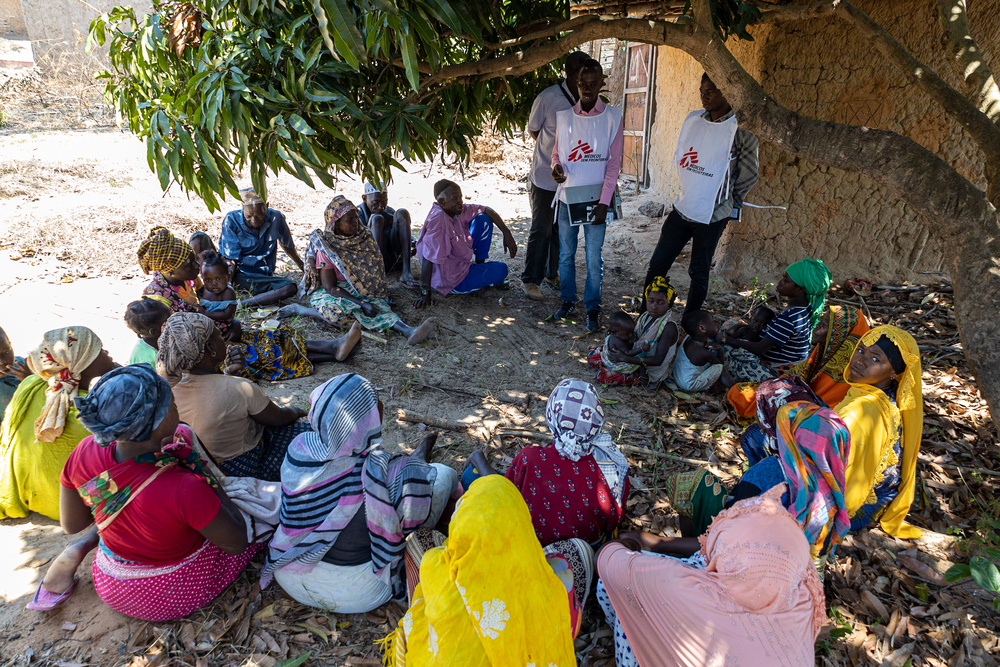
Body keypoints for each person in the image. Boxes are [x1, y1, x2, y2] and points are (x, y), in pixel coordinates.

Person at [48, 365, 254, 621]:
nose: (175, 403)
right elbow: (237, 543)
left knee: (141, 508)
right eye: (170, 402)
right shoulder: (185, 486)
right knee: (258, 513)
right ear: (158, 423)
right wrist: (209, 480)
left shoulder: (85, 449)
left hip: (111, 580)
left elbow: (73, 523)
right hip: (164, 593)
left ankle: (85, 543)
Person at [261, 374, 458, 612]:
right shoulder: (390, 470)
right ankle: (420, 459)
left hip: (288, 574)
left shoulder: (300, 450)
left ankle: (418, 458)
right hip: (357, 594)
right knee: (444, 474)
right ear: (375, 419)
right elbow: (412, 521)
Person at [596, 482, 826, 667]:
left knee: (628, 595)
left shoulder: (684, 588)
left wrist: (625, 543)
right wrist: (658, 543)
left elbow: (608, 561)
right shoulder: (804, 597)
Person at [739, 325, 924, 539]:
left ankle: (748, 505)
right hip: (883, 494)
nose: (860, 360)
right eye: (861, 350)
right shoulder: (876, 393)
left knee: (761, 445)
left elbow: (838, 477)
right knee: (774, 436)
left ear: (894, 372)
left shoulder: (862, 413)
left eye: (876, 359)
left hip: (859, 507)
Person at [380, 475, 579, 667]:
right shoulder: (540, 587)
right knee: (575, 554)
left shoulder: (439, 571)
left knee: (421, 543)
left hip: (437, 657)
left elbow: (432, 561)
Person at [155, 312, 355, 480]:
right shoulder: (239, 388)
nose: (223, 338)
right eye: (217, 335)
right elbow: (279, 419)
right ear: (210, 348)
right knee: (310, 433)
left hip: (202, 470)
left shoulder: (166, 388)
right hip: (244, 470)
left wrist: (228, 375)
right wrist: (297, 411)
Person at [642, 73, 760, 314]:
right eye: (702, 90)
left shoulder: (740, 130)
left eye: (711, 91)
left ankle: (690, 321)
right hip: (684, 206)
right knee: (658, 264)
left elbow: (749, 173)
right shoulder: (695, 121)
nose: (704, 96)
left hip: (712, 215)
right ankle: (647, 314)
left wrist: (729, 202)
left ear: (727, 92)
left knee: (698, 271)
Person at [467, 379, 630, 548]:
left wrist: (479, 459)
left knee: (471, 476)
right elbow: (615, 519)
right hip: (588, 548)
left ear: (552, 416)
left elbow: (503, 497)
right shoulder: (609, 464)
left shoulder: (530, 458)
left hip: (530, 545)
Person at [279, 196, 435, 345]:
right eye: (349, 220)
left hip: (360, 287)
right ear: (335, 224)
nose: (355, 223)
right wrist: (360, 303)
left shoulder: (364, 238)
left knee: (379, 307)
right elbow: (330, 287)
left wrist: (375, 295)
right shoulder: (326, 249)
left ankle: (408, 330)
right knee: (338, 312)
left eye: (356, 217)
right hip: (334, 291)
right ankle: (302, 310)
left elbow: (374, 271)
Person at [0, 327, 117, 520]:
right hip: (70, 508)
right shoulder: (84, 411)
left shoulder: (33, 383)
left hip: (37, 495)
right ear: (81, 362)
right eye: (99, 350)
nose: (106, 353)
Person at [550, 58, 624, 333]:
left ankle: (593, 307)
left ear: (602, 84)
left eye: (593, 84)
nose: (587, 88)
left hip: (596, 200)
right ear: (576, 84)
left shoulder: (612, 118)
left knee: (594, 256)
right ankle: (568, 300)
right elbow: (557, 153)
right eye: (583, 83)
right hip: (569, 196)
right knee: (566, 254)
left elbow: (613, 164)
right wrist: (555, 167)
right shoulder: (565, 117)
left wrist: (605, 202)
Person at [522, 50, 590, 301]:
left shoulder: (587, 101)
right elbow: (534, 131)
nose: (586, 82)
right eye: (582, 75)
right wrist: (554, 157)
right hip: (544, 176)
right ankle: (530, 280)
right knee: (541, 228)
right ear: (570, 73)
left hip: (573, 179)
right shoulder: (548, 98)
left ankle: (552, 274)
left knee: (561, 230)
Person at [727, 304, 870, 419]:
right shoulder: (822, 353)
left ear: (840, 335)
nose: (818, 325)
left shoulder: (845, 376)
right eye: (821, 320)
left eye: (826, 324)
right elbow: (794, 379)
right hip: (798, 396)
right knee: (747, 392)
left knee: (752, 397)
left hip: (809, 414)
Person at [719, 258, 832, 382]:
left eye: (786, 280)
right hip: (786, 363)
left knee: (723, 350)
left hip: (775, 372)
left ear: (800, 289)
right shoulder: (804, 307)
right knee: (733, 323)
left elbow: (759, 349)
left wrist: (727, 340)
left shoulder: (789, 318)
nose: (779, 282)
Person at [413, 179, 518, 309]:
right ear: (442, 202)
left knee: (483, 219)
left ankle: (480, 266)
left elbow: (486, 210)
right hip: (451, 280)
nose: (460, 202)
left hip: (458, 262)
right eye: (455, 199)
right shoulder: (438, 221)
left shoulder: (455, 210)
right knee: (502, 269)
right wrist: (425, 294)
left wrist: (507, 233)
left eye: (461, 197)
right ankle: (475, 277)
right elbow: (428, 258)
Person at [218, 187, 304, 308]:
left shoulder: (276, 218)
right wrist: (227, 285)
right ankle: (241, 303)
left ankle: (243, 304)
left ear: (266, 206)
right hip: (240, 274)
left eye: (258, 216)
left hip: (264, 276)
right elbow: (230, 260)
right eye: (249, 216)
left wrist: (302, 266)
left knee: (290, 287)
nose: (253, 221)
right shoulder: (231, 220)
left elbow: (287, 245)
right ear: (242, 208)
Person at [590, 277, 682, 387]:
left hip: (648, 369)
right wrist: (613, 332)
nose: (654, 306)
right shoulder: (646, 317)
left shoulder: (668, 327)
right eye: (651, 300)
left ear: (669, 305)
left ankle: (643, 381)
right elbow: (630, 333)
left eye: (661, 303)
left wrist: (625, 358)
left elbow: (658, 360)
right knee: (595, 354)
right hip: (633, 357)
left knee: (604, 376)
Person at [139, 226, 234, 331]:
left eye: (195, 260)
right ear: (171, 272)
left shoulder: (188, 278)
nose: (197, 266)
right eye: (189, 265)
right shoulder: (157, 300)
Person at [358, 182, 417, 289]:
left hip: (393, 258)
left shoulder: (389, 211)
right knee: (377, 219)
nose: (381, 207)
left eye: (384, 202)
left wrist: (411, 241)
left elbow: (398, 233)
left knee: (402, 212)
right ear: (364, 198)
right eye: (375, 202)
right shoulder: (357, 215)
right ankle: (378, 277)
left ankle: (406, 273)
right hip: (371, 262)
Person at [673, 310, 729, 392]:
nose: (716, 323)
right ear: (702, 328)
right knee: (720, 368)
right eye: (712, 321)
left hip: (677, 374)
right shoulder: (704, 352)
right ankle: (727, 385)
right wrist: (720, 349)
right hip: (688, 384)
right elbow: (719, 365)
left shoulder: (688, 338)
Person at [197, 250, 242, 341]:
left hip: (222, 328)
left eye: (218, 279)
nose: (214, 283)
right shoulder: (204, 290)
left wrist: (205, 313)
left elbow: (227, 314)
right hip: (206, 324)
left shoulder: (227, 293)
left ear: (228, 276)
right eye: (208, 280)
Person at [125, 298, 172, 366]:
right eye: (168, 320)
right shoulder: (148, 361)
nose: (173, 320)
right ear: (154, 331)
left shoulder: (154, 338)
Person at [0, 326, 31, 422]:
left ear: (10, 344)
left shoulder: (24, 365)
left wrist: (30, 379)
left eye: (6, 352)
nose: (2, 361)